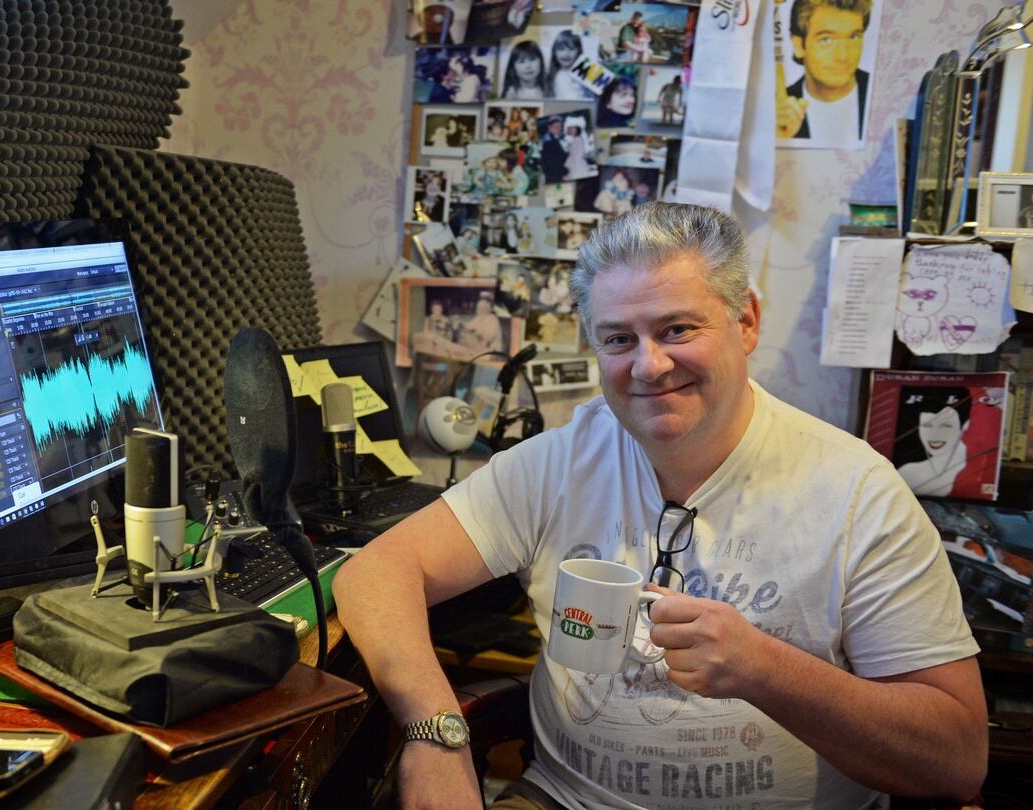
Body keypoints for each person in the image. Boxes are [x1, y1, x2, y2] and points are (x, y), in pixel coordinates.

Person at [334, 202, 985, 810]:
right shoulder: (560, 461)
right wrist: (434, 732)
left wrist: (764, 670)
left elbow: (956, 759)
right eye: (618, 340)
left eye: (677, 329)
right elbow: (374, 572)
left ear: (747, 320)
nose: (648, 366)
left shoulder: (858, 494)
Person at [778, 0, 871, 142]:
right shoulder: (780, 109)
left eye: (853, 37)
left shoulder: (883, 92)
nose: (843, 56)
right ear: (799, 46)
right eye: (826, 40)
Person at [892, 386, 976, 498]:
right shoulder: (907, 471)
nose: (934, 435)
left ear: (965, 424)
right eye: (927, 425)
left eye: (945, 426)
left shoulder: (977, 465)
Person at [548, 29, 595, 101]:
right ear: (554, 52)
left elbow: (609, 88)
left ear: (579, 51)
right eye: (561, 49)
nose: (566, 54)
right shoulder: (555, 74)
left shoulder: (583, 67)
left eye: (571, 49)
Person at [540, 116, 570, 183]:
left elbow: (561, 155)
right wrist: (564, 173)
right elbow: (554, 163)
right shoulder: (548, 142)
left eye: (560, 127)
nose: (559, 129)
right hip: (554, 178)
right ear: (549, 127)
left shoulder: (553, 138)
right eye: (556, 127)